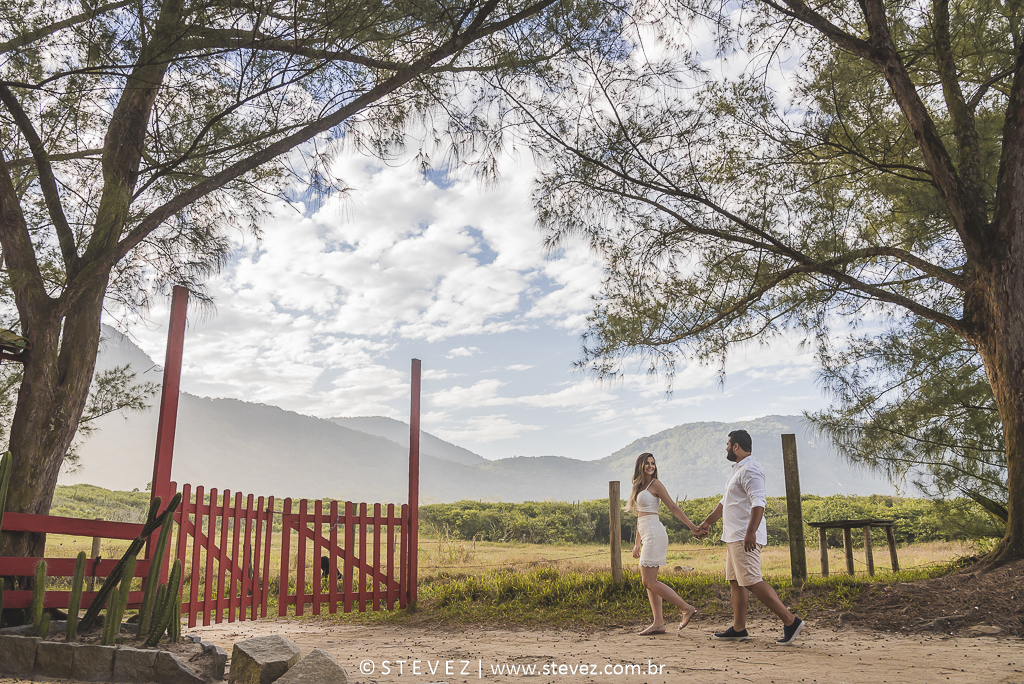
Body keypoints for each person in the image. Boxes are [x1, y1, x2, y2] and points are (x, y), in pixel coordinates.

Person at [695, 429, 804, 644]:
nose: (726, 448)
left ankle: (791, 621)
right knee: (736, 581)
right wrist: (708, 522)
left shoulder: (751, 470)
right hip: (734, 535)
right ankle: (739, 629)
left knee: (752, 581)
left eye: (728, 444)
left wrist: (751, 531)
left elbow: (758, 502)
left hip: (745, 536)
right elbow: (725, 503)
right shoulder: (738, 470)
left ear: (736, 446)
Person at [626, 452, 700, 635]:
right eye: (647, 463)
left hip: (654, 533)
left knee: (648, 581)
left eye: (653, 463)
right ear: (640, 466)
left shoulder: (655, 484)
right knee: (649, 583)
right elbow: (640, 516)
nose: (651, 466)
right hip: (645, 533)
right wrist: (637, 543)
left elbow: (673, 507)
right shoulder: (638, 486)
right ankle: (658, 622)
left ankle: (686, 608)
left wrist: (692, 526)